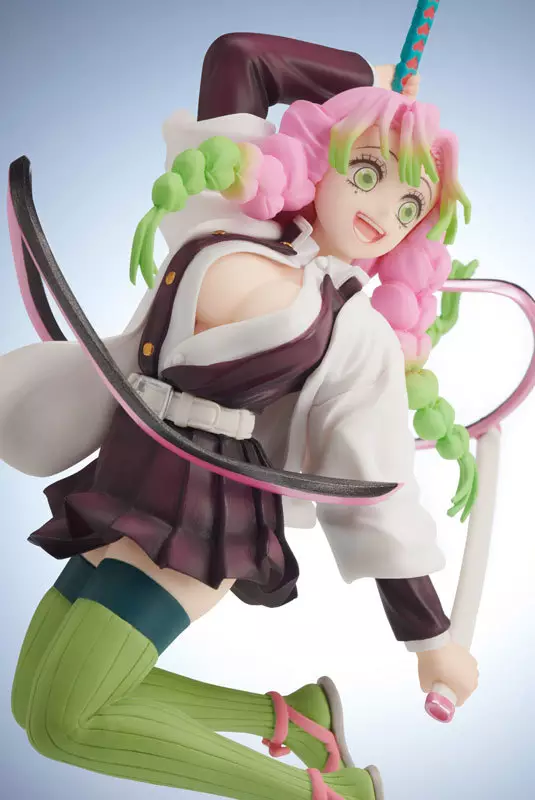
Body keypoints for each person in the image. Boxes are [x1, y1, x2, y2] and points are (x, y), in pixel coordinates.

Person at [4, 33, 478, 800]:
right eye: (367, 172)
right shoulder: (234, 209)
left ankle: (332, 796)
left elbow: (376, 491)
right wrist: (372, 78)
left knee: (65, 721)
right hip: (126, 470)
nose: (381, 212)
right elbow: (238, 59)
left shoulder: (356, 329)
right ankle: (301, 721)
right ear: (322, 157)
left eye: (408, 204)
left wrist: (431, 640)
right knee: (33, 701)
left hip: (204, 510)